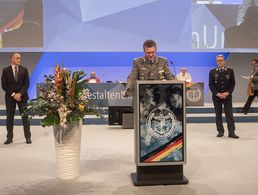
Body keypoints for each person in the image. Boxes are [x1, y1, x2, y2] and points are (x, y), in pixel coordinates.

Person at [1, 52, 31, 144]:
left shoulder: (24, 70)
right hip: (10, 98)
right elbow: (4, 85)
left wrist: (20, 94)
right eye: (17, 58)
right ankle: (9, 138)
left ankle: (28, 137)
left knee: (25, 117)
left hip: (22, 97)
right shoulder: (5, 70)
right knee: (9, 118)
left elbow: (27, 84)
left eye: (20, 58)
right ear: (12, 59)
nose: (19, 59)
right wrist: (14, 94)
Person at [209, 54, 239, 138]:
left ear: (224, 61)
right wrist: (218, 94)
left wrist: (227, 93)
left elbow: (233, 83)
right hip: (216, 97)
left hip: (227, 97)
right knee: (218, 114)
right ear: (216, 62)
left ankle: (231, 132)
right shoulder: (212, 72)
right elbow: (211, 85)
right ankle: (220, 131)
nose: (220, 62)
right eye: (218, 60)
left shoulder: (230, 71)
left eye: (221, 60)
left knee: (229, 114)